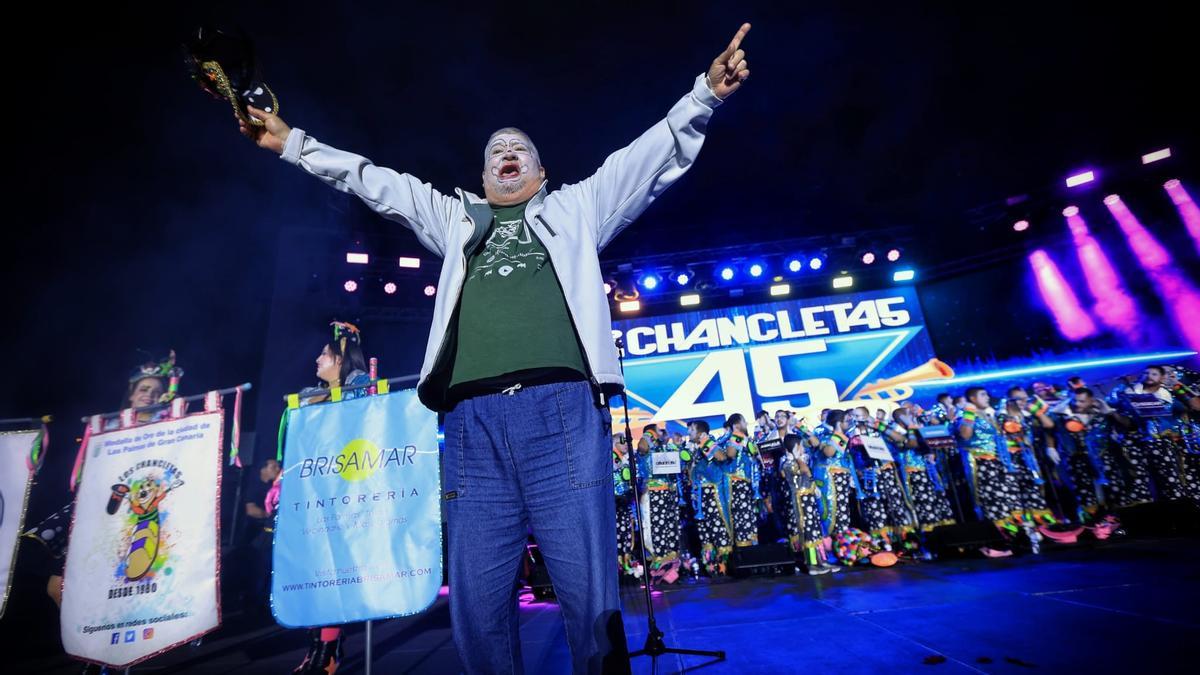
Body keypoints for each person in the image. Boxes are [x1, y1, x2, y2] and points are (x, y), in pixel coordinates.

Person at [238, 23, 752, 672]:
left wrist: (705, 93)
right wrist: (291, 143)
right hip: (472, 427)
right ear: (483, 179)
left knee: (591, 601)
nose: (507, 152)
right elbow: (373, 180)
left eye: (520, 149)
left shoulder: (577, 209)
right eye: (495, 151)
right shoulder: (456, 221)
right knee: (477, 610)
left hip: (561, 414)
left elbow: (647, 155)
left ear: (541, 174)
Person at [288, 320, 370, 675]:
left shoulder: (357, 390)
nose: (317, 359)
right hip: (309, 495)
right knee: (312, 571)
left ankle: (329, 648)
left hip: (343, 494)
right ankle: (316, 646)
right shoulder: (309, 396)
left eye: (325, 353)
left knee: (334, 571)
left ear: (341, 358)